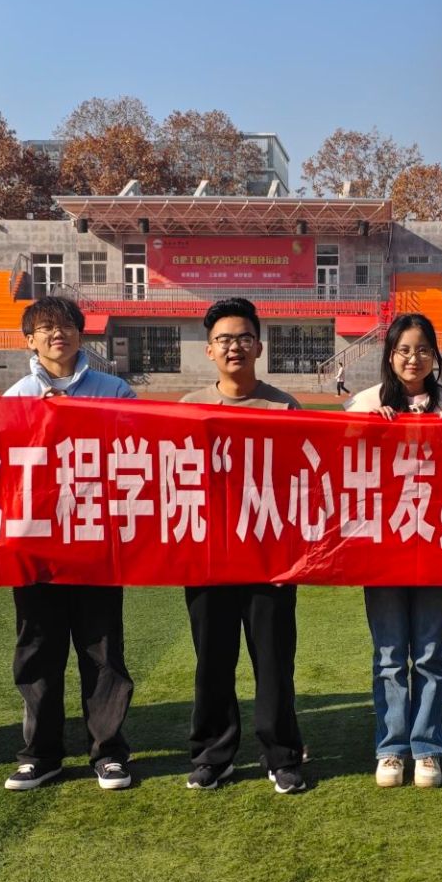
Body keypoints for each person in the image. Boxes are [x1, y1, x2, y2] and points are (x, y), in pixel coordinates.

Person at [0, 296, 138, 794]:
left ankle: (109, 753)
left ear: (82, 334)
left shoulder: (114, 390)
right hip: (35, 545)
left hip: (96, 543)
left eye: (66, 326)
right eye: (45, 327)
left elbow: (136, 450)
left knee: (102, 652)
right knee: (37, 650)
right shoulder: (16, 397)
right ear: (30, 339)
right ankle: (40, 755)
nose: (57, 334)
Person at [178, 296, 309, 796]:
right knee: (212, 662)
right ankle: (213, 755)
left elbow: (303, 481)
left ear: (259, 346)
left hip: (269, 559)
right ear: (209, 350)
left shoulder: (284, 408)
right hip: (208, 558)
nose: (235, 347)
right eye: (224, 339)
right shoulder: (188, 409)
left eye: (244, 338)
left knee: (273, 663)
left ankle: (282, 755)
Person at [345, 313, 442, 790]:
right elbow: (340, 463)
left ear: (434, 355)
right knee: (390, 655)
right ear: (389, 355)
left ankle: (428, 747)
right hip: (382, 550)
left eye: (422, 350)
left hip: (437, 547)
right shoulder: (364, 404)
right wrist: (364, 429)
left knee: (430, 652)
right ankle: (391, 746)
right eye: (403, 350)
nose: (412, 359)